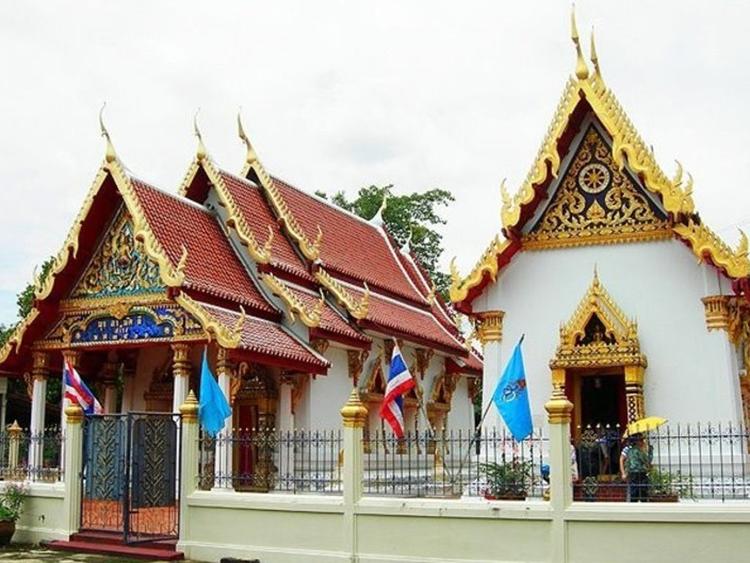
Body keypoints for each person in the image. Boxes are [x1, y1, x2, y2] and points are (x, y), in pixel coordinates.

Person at [620, 433, 650, 502]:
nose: (643, 441)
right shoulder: (634, 450)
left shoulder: (636, 450)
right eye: (641, 440)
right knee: (641, 492)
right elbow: (646, 461)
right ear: (636, 441)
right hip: (637, 473)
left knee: (636, 493)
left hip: (635, 472)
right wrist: (623, 472)